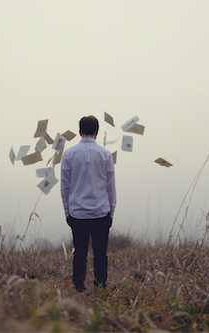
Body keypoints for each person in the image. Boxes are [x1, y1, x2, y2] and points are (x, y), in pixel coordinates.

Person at [61, 115, 116, 292]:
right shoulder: (106, 155)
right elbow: (110, 187)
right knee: (101, 253)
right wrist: (111, 212)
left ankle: (79, 285)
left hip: (77, 212)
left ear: (79, 132)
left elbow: (65, 188)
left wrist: (67, 212)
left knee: (80, 252)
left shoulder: (68, 155)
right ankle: (100, 285)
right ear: (97, 132)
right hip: (101, 211)